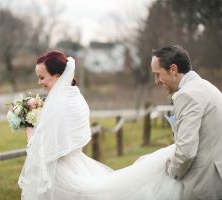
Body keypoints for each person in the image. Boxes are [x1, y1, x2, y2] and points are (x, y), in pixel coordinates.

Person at [18, 50, 183, 200]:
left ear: (59, 76)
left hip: (60, 176)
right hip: (77, 164)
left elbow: (43, 152)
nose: (39, 82)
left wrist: (29, 128)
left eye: (42, 77)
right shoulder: (76, 98)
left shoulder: (59, 103)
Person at [151, 45, 222, 200]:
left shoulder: (187, 95)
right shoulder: (205, 86)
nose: (156, 81)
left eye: (158, 74)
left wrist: (172, 171)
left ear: (173, 70)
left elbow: (186, 151)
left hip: (205, 183)